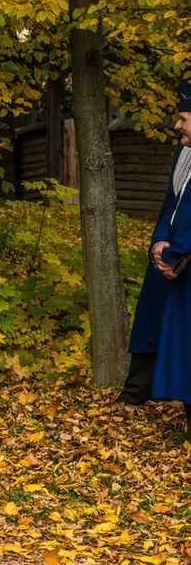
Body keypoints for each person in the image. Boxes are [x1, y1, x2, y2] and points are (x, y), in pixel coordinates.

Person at [118, 79, 191, 426]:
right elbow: (171, 203)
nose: (177, 126)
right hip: (168, 247)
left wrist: (179, 251)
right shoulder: (182, 149)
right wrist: (158, 246)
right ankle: (136, 390)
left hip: (185, 251)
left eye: (183, 118)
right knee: (149, 314)